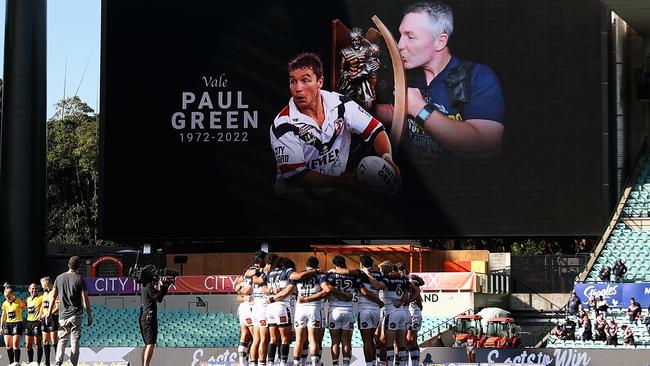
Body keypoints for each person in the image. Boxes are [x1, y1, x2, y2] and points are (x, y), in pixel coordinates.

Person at [375, 1, 504, 157]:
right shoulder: (407, 77)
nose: (399, 45)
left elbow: (487, 142)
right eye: (400, 35)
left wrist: (419, 108)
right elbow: (392, 113)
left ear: (440, 41)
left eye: (410, 36)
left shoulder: (477, 77)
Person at [270, 52, 399, 194]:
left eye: (305, 80)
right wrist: (344, 181)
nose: (298, 88)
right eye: (293, 81)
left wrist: (387, 158)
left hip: (335, 195)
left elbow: (376, 130)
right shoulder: (282, 124)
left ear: (320, 82)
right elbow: (296, 175)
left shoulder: (342, 105)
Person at [47, 255, 93, 366]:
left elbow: (53, 297)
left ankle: (58, 361)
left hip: (62, 315)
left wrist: (48, 313)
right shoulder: (80, 279)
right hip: (75, 314)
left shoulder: (59, 278)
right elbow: (85, 299)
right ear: (79, 266)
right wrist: (89, 315)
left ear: (68, 264)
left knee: (62, 339)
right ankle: (74, 364)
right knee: (75, 340)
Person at [326, 256, 360, 366]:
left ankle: (335, 364)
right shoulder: (352, 276)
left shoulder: (331, 275)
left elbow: (326, 292)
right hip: (348, 310)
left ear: (334, 264)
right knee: (346, 341)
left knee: (335, 341)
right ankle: (346, 364)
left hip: (334, 310)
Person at [337, 27, 381, 110]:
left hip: (364, 81)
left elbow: (374, 60)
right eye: (352, 40)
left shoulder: (367, 50)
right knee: (346, 103)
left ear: (361, 39)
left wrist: (378, 63)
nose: (354, 42)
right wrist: (345, 74)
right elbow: (341, 70)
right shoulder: (345, 52)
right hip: (351, 81)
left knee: (367, 105)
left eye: (356, 40)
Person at [139, 274, 171, 366]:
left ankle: (144, 364)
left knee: (147, 344)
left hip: (144, 317)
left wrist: (163, 287)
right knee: (150, 343)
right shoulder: (148, 285)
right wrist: (163, 287)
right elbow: (158, 298)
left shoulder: (144, 285)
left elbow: (157, 296)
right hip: (149, 317)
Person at [1, 284, 26, 365]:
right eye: (6, 297)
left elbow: (26, 305)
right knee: (8, 345)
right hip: (7, 324)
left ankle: (16, 363)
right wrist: (1, 326)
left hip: (17, 323)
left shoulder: (18, 301)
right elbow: (3, 315)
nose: (7, 298)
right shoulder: (5, 303)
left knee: (15, 344)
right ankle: (11, 363)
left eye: (8, 296)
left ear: (12, 294)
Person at [39, 276, 59, 366]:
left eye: (42, 285)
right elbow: (43, 305)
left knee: (54, 341)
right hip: (44, 319)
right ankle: (47, 363)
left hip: (53, 318)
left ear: (46, 284)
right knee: (45, 341)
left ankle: (58, 361)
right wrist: (40, 314)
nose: (41, 286)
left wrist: (48, 315)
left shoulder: (55, 292)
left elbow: (58, 307)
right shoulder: (45, 293)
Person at [25, 282, 44, 365]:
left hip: (37, 323)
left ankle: (38, 363)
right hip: (28, 323)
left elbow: (48, 301)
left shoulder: (41, 297)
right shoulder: (28, 299)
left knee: (37, 344)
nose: (34, 290)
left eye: (36, 288)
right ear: (29, 290)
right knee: (28, 345)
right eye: (32, 288)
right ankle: (30, 363)